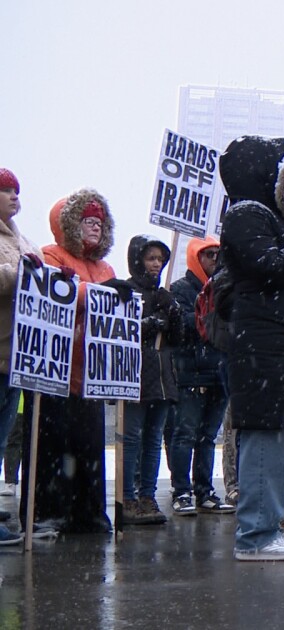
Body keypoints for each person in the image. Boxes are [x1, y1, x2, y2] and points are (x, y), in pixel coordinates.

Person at [219, 135, 284, 561]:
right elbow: (271, 266)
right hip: (266, 349)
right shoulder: (245, 214)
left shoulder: (263, 216)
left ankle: (266, 527)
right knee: (268, 437)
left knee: (283, 440)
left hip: (281, 346)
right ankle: (256, 536)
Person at [25, 188, 129, 534]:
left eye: (99, 221)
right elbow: (57, 292)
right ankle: (47, 513)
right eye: (87, 220)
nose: (96, 226)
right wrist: (104, 292)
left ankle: (89, 512)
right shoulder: (50, 255)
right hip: (55, 371)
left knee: (89, 447)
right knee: (52, 447)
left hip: (90, 375)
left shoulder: (105, 267)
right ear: (68, 224)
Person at [168, 236, 235, 516]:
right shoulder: (181, 289)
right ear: (196, 257)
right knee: (185, 435)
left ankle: (204, 490)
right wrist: (209, 316)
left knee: (207, 437)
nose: (214, 260)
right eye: (208, 255)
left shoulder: (225, 288)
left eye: (218, 254)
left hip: (218, 372)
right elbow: (184, 326)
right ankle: (181, 490)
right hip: (192, 373)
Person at [122, 235, 183, 526]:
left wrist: (174, 313)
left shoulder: (164, 295)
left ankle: (147, 494)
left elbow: (179, 340)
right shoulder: (126, 291)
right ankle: (127, 497)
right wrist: (146, 323)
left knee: (153, 440)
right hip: (135, 375)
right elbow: (119, 331)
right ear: (138, 260)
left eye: (160, 259)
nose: (157, 264)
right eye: (151, 258)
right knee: (132, 438)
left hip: (161, 377)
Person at [0, 168, 40, 520]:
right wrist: (20, 274)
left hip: (15, 358)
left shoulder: (23, 241)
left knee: (2, 437)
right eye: (6, 190)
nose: (14, 196)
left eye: (16, 190)